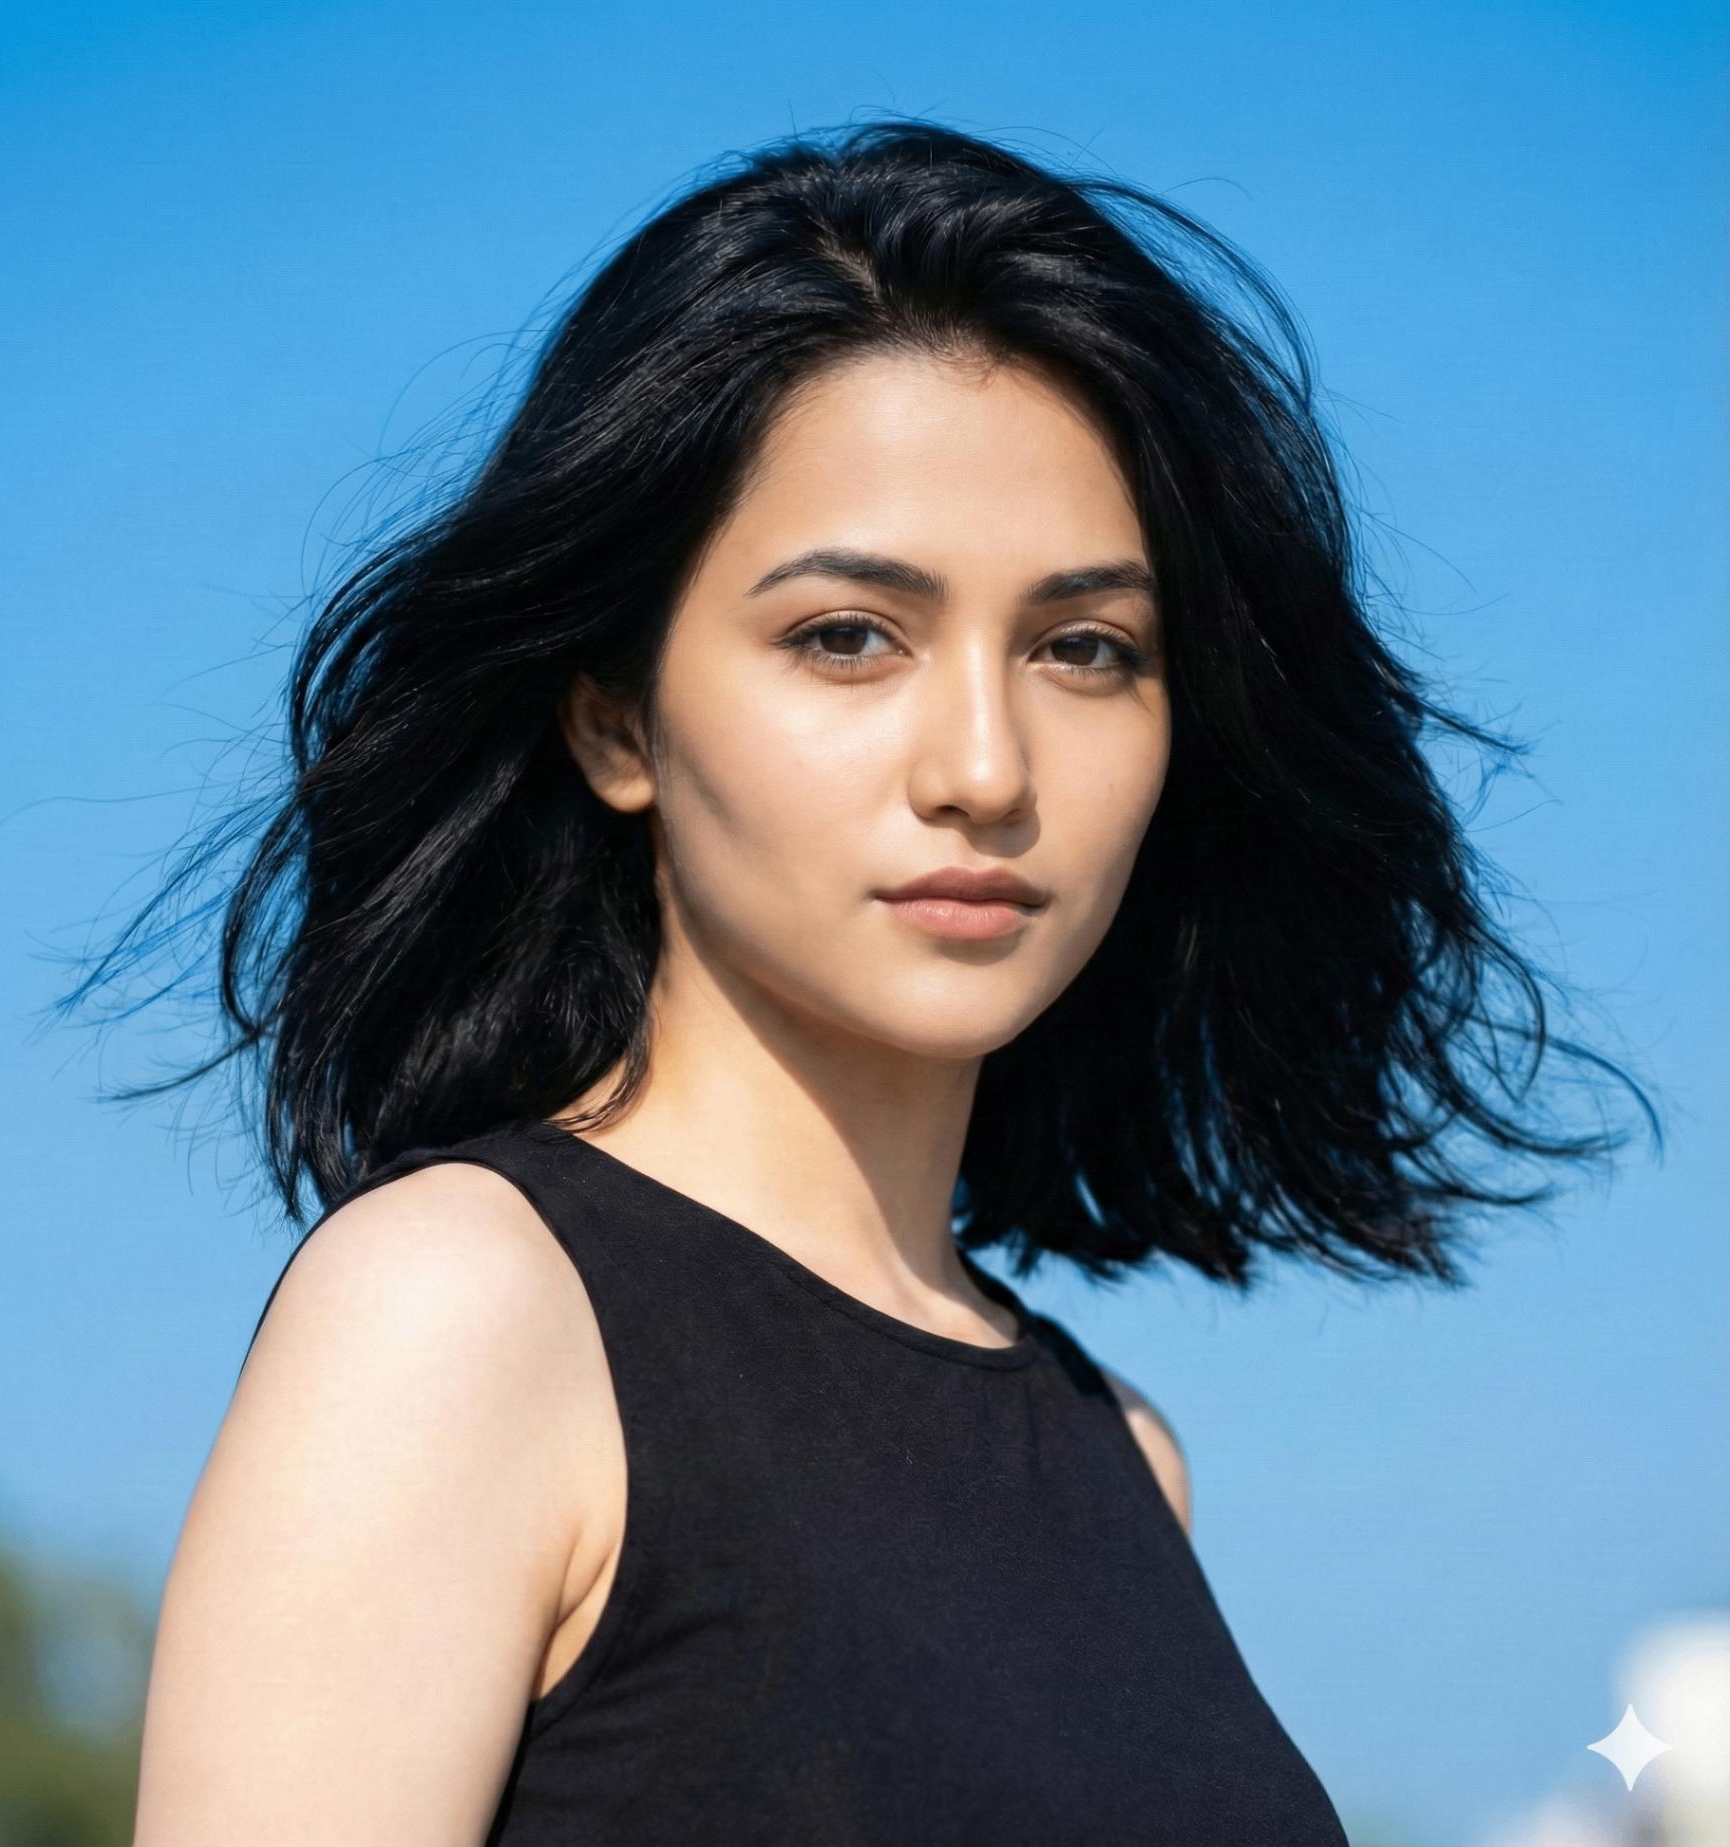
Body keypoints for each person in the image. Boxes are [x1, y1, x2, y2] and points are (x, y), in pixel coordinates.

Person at [88, 119, 1656, 1843]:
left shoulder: (1123, 1454)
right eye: (848, 636)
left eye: (1086, 650)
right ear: (614, 717)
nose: (985, 766)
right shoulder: (461, 1317)